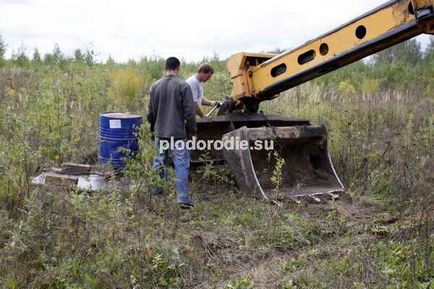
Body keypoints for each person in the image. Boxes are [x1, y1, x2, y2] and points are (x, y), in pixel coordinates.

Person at [147, 57, 196, 208]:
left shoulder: (155, 86)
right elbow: (189, 113)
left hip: (161, 134)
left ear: (165, 67)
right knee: (181, 163)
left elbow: (150, 112)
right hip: (178, 135)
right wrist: (192, 132)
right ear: (178, 67)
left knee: (159, 160)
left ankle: (156, 191)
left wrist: (152, 129)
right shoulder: (183, 86)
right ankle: (183, 199)